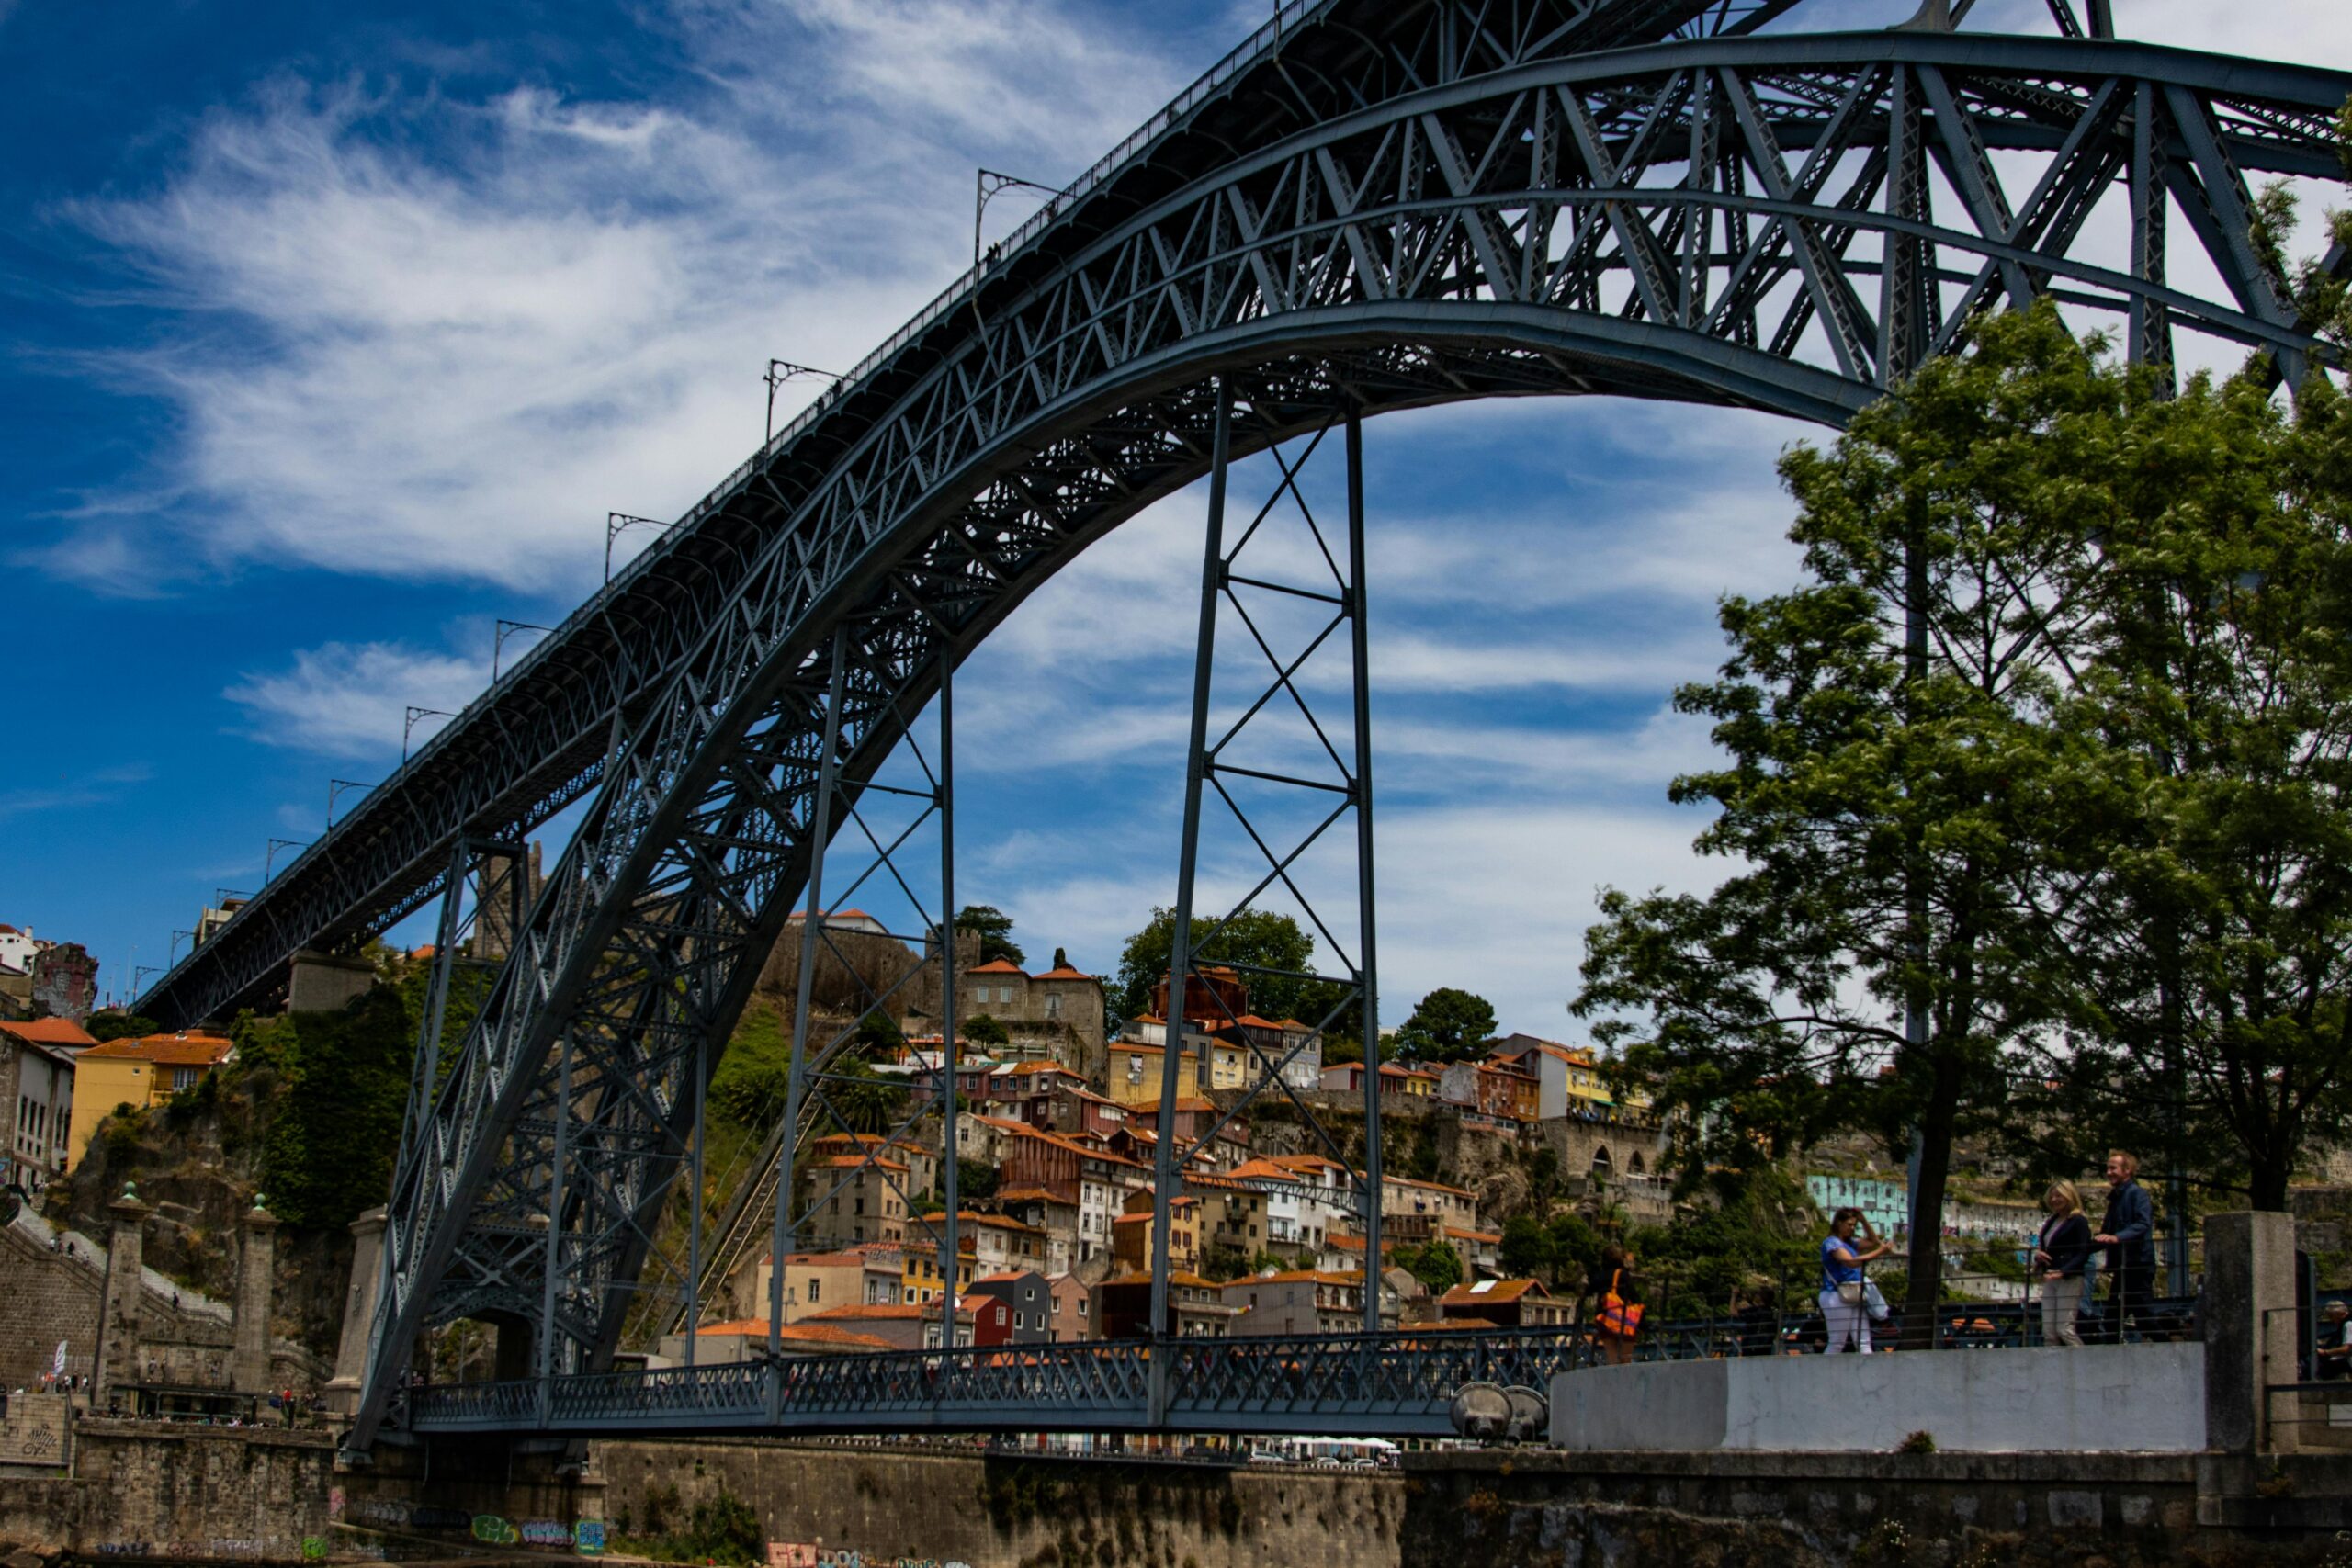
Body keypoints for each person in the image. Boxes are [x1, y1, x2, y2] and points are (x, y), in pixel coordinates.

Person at [2093, 1150, 2155, 1344]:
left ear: (2127, 1170)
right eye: (2108, 1168)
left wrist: (2117, 1238)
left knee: (2137, 1313)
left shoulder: (2137, 1194)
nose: (2109, 1172)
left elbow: (2143, 1223)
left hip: (2137, 1264)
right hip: (2125, 1266)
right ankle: (2164, 1339)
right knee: (2119, 1315)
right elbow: (2105, 1234)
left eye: (2113, 1168)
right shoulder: (2117, 1198)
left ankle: (2167, 1340)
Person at [1819, 1207, 1894, 1354]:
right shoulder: (1831, 1243)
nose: (1852, 1228)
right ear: (1839, 1223)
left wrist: (1863, 1220)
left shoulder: (1849, 1242)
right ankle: (1825, 1375)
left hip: (1853, 1293)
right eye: (1849, 1225)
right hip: (1836, 1294)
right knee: (1837, 1343)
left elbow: (1873, 1241)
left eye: (1854, 1225)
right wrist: (1881, 1252)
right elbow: (1851, 1262)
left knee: (1864, 1342)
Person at [2031, 1179, 2092, 1348]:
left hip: (2069, 1278)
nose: (2054, 1200)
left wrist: (2064, 1271)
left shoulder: (2078, 1220)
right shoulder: (2052, 1221)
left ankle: (2085, 1363)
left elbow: (2083, 1252)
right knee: (2049, 1332)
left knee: (2064, 1329)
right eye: (2052, 1196)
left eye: (2059, 1195)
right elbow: (2047, 1246)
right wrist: (2039, 1256)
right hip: (2051, 1277)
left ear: (2069, 1196)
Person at [1589, 1244, 1643, 1366]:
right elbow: (1635, 1298)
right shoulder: (1623, 1275)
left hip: (1606, 1319)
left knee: (1612, 1357)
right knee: (1626, 1358)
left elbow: (1588, 1290)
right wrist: (1642, 1320)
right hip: (1624, 1320)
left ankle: (1613, 1379)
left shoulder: (1599, 1276)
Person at [2316, 1300, 2352, 1382]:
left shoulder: (2348, 1324)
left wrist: (2325, 1352)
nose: (2331, 1320)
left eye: (2331, 1316)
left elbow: (2346, 1348)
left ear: (2337, 1315)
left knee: (2324, 1368)